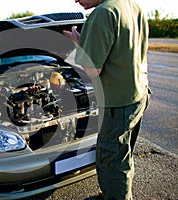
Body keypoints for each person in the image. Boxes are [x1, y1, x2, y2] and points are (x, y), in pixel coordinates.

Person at [63, 0, 150, 199]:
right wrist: (84, 40)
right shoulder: (132, 6)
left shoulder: (103, 13)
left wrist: (76, 44)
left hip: (117, 103)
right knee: (122, 155)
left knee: (111, 162)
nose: (76, 0)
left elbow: (92, 70)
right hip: (138, 94)